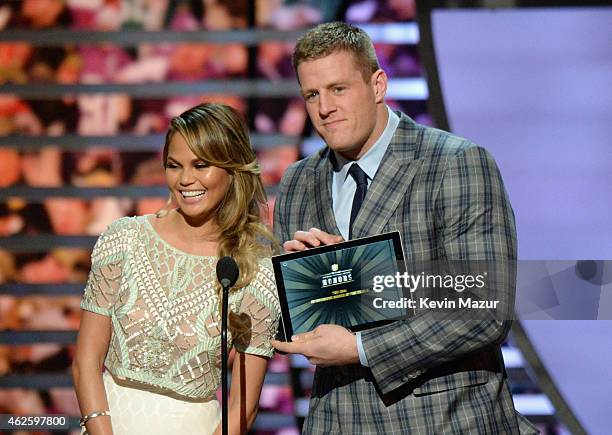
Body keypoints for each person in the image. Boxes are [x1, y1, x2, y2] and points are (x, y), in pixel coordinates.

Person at [271, 22, 538, 434]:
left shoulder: (454, 163)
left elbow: (484, 306)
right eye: (312, 94)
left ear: (378, 85)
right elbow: (296, 320)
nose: (324, 108)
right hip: (340, 421)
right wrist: (306, 280)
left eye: (338, 89)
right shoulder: (298, 181)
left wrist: (360, 346)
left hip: (445, 420)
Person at [73, 103, 281, 435]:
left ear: (232, 169)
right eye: (174, 165)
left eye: (201, 165)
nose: (185, 179)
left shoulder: (254, 272)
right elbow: (85, 362)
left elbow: (243, 406)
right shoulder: (124, 240)